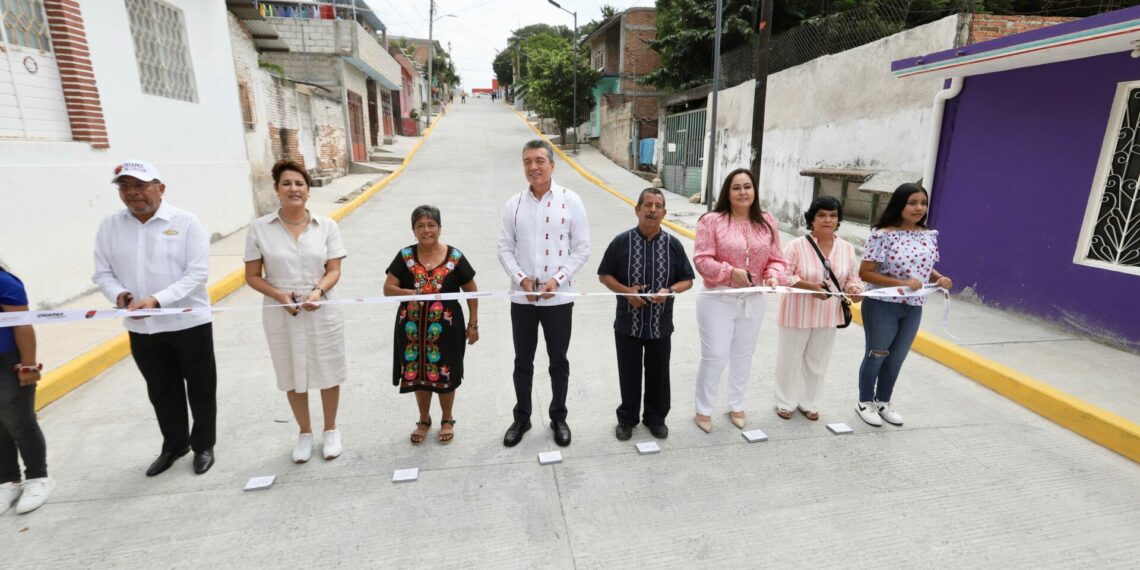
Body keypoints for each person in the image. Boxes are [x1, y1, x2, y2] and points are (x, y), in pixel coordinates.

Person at [93, 160, 217, 476]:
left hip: (188, 323)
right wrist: (120, 295)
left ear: (160, 188)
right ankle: (174, 445)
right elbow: (103, 273)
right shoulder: (110, 226)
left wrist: (158, 300)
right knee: (161, 390)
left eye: (140, 185)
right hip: (142, 327)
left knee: (200, 388)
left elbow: (197, 274)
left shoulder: (186, 223)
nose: (132, 192)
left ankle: (203, 445)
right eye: (124, 186)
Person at [244, 161, 348, 463]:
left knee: (328, 369)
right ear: (277, 189)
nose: (294, 189)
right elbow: (252, 276)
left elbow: (334, 269)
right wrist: (279, 295)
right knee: (290, 372)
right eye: (286, 183)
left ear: (308, 190)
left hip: (321, 306)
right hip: (281, 309)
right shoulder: (259, 229)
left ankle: (331, 429)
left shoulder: (326, 226)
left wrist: (318, 291)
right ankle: (305, 432)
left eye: (299, 183)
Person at [497, 139, 590, 448]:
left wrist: (558, 280)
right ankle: (522, 417)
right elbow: (504, 248)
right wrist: (522, 279)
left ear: (552, 164)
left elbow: (581, 248)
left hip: (558, 298)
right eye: (527, 161)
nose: (533, 167)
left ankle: (558, 417)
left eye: (539, 160)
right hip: (522, 298)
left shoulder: (571, 201)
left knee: (558, 361)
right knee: (522, 361)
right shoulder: (514, 205)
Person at [692, 168, 786, 433]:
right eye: (736, 187)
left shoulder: (767, 221)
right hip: (718, 297)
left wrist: (773, 276)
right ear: (728, 192)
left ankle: (737, 404)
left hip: (753, 299)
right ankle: (704, 408)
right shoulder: (712, 221)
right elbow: (702, 259)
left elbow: (777, 259)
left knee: (744, 355)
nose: (743, 192)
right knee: (715, 354)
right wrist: (730, 272)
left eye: (747, 187)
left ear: (754, 190)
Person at [598, 188, 694, 440]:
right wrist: (626, 291)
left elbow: (688, 280)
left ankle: (656, 419)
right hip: (627, 324)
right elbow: (604, 275)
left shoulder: (673, 245)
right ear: (637, 209)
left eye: (658, 206)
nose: (652, 210)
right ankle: (627, 419)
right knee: (628, 373)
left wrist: (670, 291)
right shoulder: (621, 242)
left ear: (664, 212)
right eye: (648, 205)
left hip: (660, 325)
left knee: (658, 375)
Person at [856, 183, 953, 427]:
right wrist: (902, 283)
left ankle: (883, 401)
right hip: (882, 305)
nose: (919, 208)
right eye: (912, 203)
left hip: (914, 306)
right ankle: (865, 402)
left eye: (923, 203)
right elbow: (865, 272)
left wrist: (939, 278)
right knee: (877, 355)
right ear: (899, 205)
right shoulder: (882, 235)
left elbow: (925, 267)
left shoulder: (928, 235)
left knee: (896, 358)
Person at [384, 206, 479, 445]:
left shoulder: (454, 257)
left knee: (446, 372)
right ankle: (424, 420)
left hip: (446, 330)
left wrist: (473, 324)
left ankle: (447, 419)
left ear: (439, 228)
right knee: (418, 374)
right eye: (420, 226)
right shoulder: (405, 256)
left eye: (431, 225)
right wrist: (411, 293)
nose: (426, 230)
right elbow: (388, 288)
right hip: (411, 331)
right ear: (413, 230)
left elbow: (472, 290)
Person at [773, 197, 863, 421]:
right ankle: (785, 402)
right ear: (811, 219)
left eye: (833, 215)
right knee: (790, 360)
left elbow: (851, 277)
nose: (827, 220)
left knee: (817, 362)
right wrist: (809, 287)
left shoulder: (847, 249)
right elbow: (782, 276)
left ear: (838, 220)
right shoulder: (796, 246)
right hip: (796, 311)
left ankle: (809, 403)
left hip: (827, 314)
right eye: (821, 215)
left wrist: (854, 288)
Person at [0, 261, 52, 514]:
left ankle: (38, 478)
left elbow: (22, 324)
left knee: (21, 422)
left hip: (7, 360)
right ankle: (7, 481)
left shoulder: (4, 282)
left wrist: (28, 365)